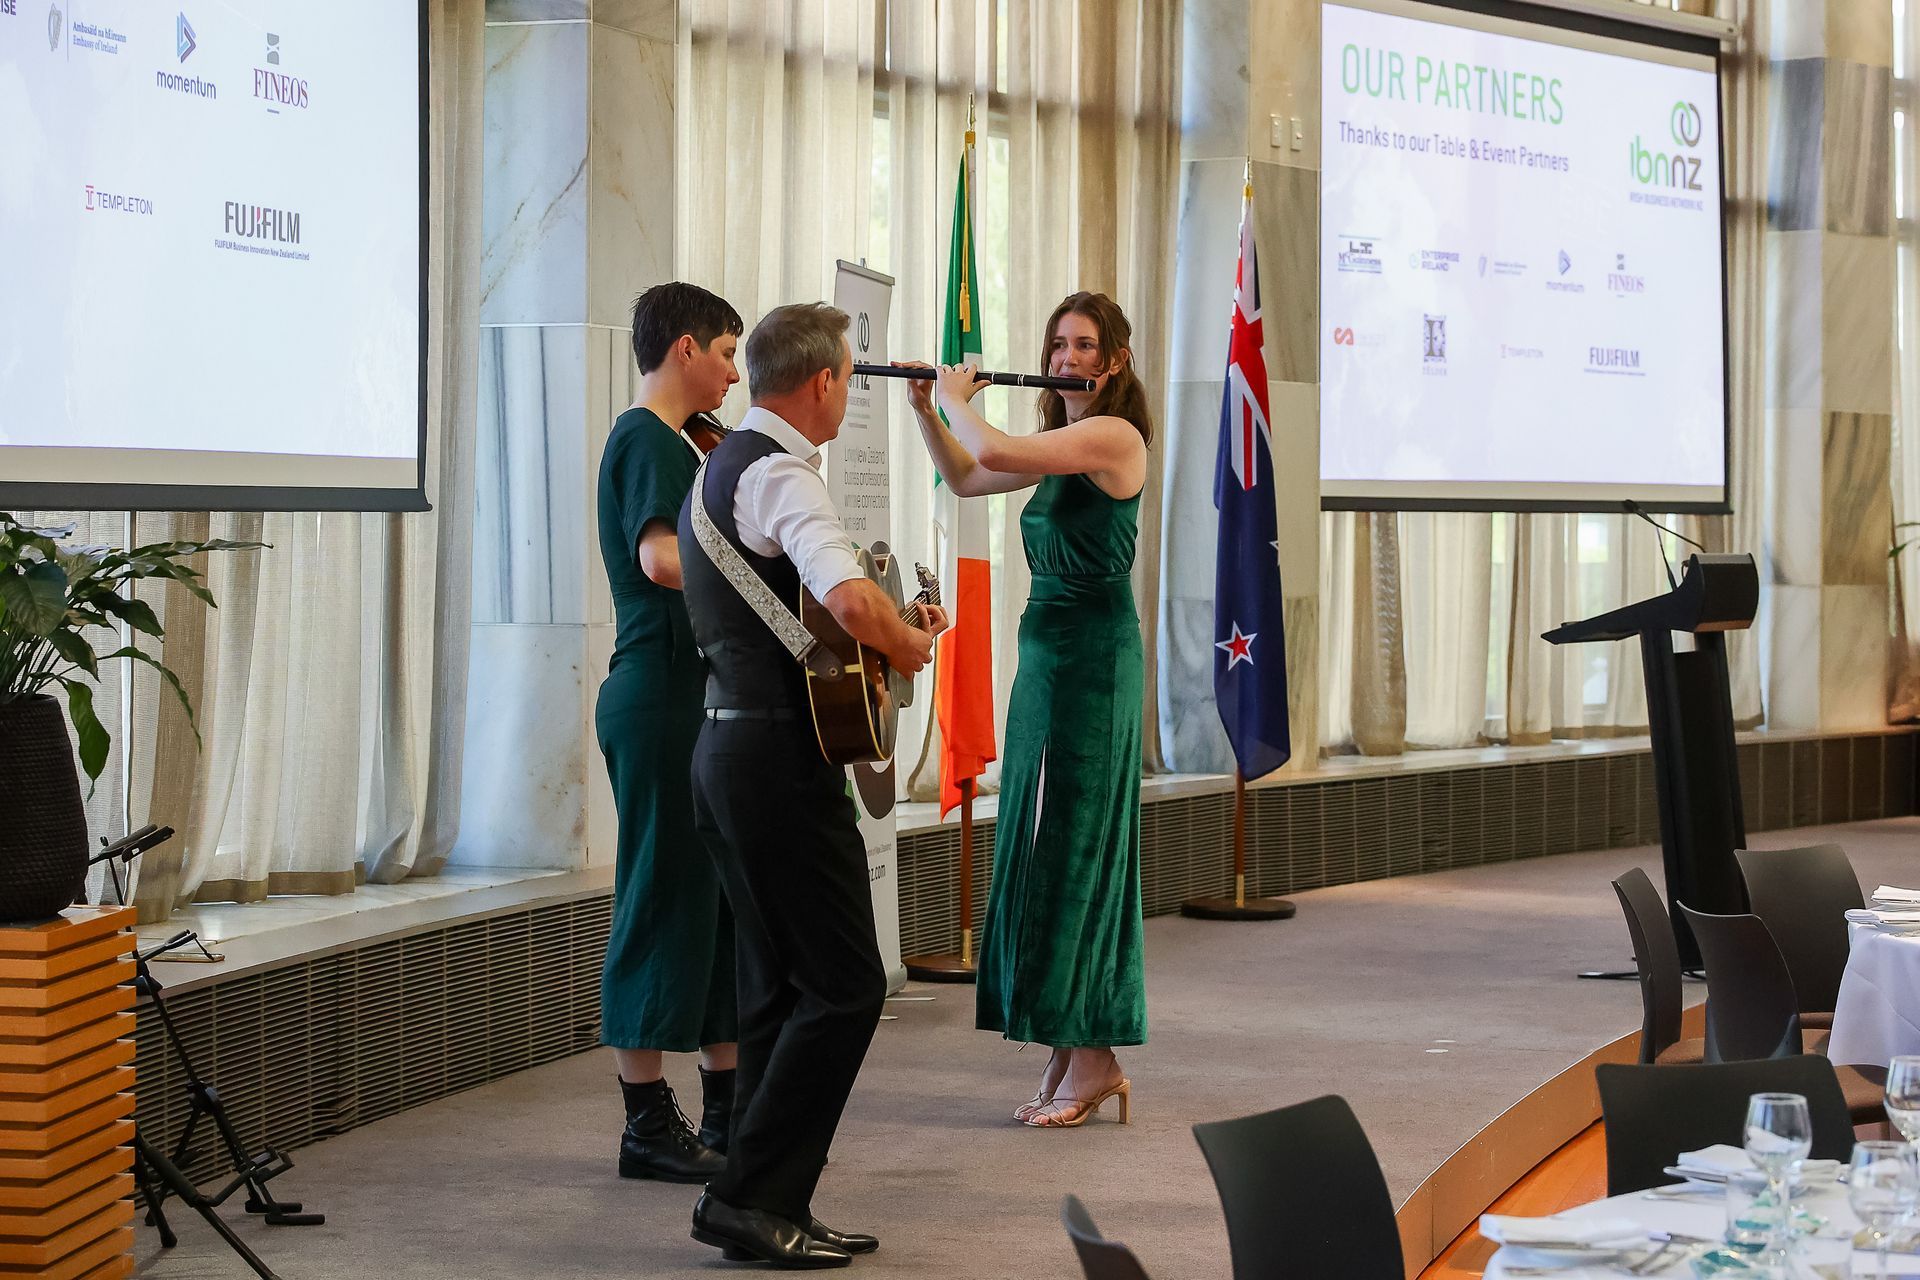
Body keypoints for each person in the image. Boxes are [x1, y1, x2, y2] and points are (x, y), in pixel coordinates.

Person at [678, 302, 949, 1267]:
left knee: (776, 988)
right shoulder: (782, 473)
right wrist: (907, 641)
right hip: (778, 766)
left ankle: (765, 1196)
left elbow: (802, 615)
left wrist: (882, 630)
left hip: (725, 751)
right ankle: (750, 1197)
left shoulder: (717, 468)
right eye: (847, 377)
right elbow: (846, 597)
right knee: (845, 984)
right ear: (826, 380)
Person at [902, 290, 1150, 1129]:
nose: (1065, 359)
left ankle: (1095, 1052)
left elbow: (994, 445)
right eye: (1057, 346)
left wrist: (954, 397)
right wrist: (927, 410)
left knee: (1078, 846)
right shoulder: (1057, 449)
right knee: (1042, 840)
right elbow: (969, 476)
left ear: (1114, 361)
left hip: (1096, 661)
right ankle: (1071, 1042)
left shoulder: (1113, 438)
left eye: (1083, 346)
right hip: (1044, 659)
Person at [593, 281, 743, 1183]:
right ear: (685, 348)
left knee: (717, 901)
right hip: (657, 692)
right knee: (658, 896)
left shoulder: (685, 442)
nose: (735, 373)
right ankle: (646, 1123)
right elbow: (658, 558)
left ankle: (726, 1108)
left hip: (694, 694)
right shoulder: (646, 437)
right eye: (726, 353)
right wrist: (758, 564)